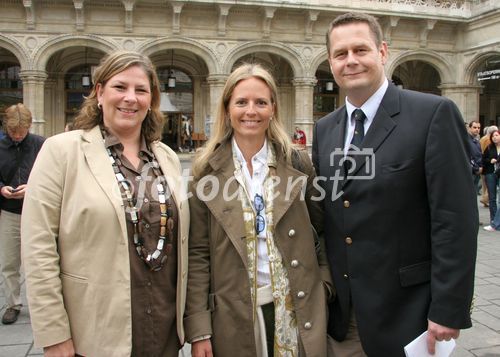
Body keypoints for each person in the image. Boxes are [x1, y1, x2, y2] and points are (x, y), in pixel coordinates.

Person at [312, 12, 478, 356]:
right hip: (344, 317)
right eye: (341, 54)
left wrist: (448, 308)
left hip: (409, 313)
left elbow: (455, 222)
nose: (351, 61)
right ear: (330, 62)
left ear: (383, 52)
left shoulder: (433, 114)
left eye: (361, 49)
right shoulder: (325, 128)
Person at [21, 50, 189, 356]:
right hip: (96, 333)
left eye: (141, 90)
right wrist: (54, 333)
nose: (130, 98)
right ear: (99, 93)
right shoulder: (61, 152)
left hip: (163, 331)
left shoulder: (167, 157)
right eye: (120, 87)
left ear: (151, 101)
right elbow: (38, 247)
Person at [184, 63, 333, 357]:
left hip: (296, 311)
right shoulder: (204, 170)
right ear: (227, 109)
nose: (251, 111)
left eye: (260, 102)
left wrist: (324, 287)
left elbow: (323, 230)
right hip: (233, 315)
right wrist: (200, 328)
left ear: (272, 109)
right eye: (241, 102)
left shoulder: (298, 163)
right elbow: (199, 254)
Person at [0, 103, 44, 325]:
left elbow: (52, 175)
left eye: (21, 132)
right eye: (12, 132)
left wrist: (32, 186)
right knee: (9, 262)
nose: (17, 136)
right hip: (9, 212)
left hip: (37, 211)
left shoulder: (41, 144)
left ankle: (43, 304)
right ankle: (12, 304)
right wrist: (1, 188)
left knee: (41, 260)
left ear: (29, 126)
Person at [482, 130, 500, 223]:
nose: (495, 137)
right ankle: (493, 219)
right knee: (492, 198)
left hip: (499, 174)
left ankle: (498, 219)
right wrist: (490, 160)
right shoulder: (489, 148)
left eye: (496, 135)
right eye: (493, 136)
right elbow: (483, 159)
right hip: (490, 174)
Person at [480, 125, 498, 207]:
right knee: (489, 187)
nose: (495, 137)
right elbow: (486, 155)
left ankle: (485, 200)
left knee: (485, 185)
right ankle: (485, 199)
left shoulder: (482, 139)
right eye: (494, 135)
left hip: (484, 165)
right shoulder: (488, 142)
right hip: (489, 167)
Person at [468, 121, 482, 194]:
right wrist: (476, 168)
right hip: (470, 172)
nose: (477, 129)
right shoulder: (465, 140)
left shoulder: (477, 141)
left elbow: (479, 156)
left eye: (479, 128)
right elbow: (467, 157)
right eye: (474, 127)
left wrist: (481, 167)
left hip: (477, 173)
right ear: (469, 128)